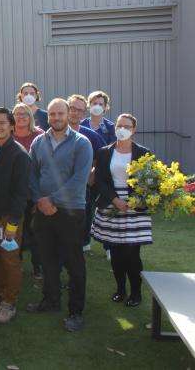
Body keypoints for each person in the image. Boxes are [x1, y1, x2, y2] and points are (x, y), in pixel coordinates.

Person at [26, 98, 93, 333]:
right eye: (52, 114)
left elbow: (79, 180)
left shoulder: (81, 143)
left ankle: (76, 312)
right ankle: (51, 301)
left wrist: (51, 200)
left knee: (74, 263)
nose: (55, 118)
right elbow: (32, 174)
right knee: (48, 260)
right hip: (43, 211)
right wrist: (39, 200)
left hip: (70, 211)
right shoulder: (38, 142)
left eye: (60, 114)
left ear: (69, 115)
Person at [91, 114, 152, 307]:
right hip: (111, 204)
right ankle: (120, 289)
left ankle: (136, 293)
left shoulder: (144, 153)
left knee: (132, 254)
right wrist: (115, 200)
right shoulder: (103, 152)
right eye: (119, 125)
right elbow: (99, 181)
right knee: (116, 253)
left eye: (127, 126)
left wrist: (135, 200)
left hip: (135, 207)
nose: (122, 129)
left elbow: (150, 181)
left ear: (134, 130)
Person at [0, 108, 30, 324]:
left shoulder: (19, 154)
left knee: (10, 261)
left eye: (2, 123)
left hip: (9, 219)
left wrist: (13, 223)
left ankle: (9, 303)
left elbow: (21, 193)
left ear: (11, 126)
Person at [66, 94, 106, 252]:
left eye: (80, 110)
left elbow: (103, 159)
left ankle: (81, 245)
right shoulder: (52, 133)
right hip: (57, 186)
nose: (75, 113)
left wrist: (91, 176)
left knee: (81, 220)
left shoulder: (91, 136)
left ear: (84, 113)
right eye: (72, 109)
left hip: (82, 189)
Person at [12, 102, 44, 280]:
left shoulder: (39, 135)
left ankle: (38, 267)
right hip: (15, 192)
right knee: (15, 230)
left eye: (24, 114)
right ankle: (15, 263)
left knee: (36, 231)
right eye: (17, 114)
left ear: (30, 117)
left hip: (34, 191)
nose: (21, 116)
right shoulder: (8, 135)